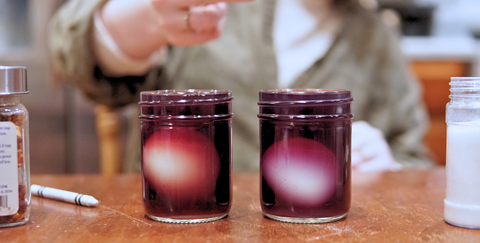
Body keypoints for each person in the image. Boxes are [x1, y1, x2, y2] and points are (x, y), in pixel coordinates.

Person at [49, 0, 434, 172]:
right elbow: (74, 55)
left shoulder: (376, 38)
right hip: (177, 238)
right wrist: (146, 20)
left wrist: (387, 165)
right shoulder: (216, 9)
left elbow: (415, 160)